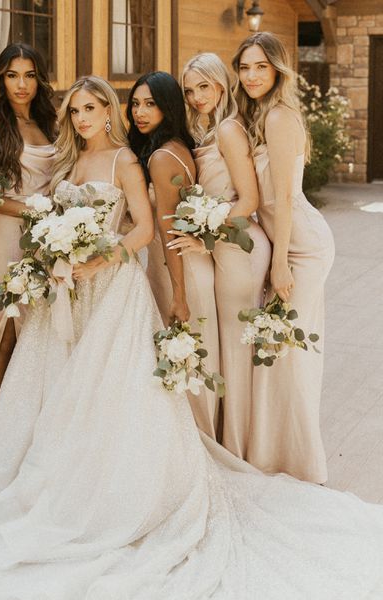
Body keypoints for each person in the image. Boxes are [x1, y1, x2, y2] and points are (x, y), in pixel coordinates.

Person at [0, 76, 383, 600]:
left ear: (108, 112)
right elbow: (52, 214)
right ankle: (53, 483)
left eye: (91, 108)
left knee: (107, 391)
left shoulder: (126, 161)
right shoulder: (67, 162)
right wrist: (54, 252)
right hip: (70, 290)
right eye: (74, 110)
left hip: (112, 290)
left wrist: (104, 255)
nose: (82, 118)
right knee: (60, 389)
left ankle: (111, 495)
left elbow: (145, 229)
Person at [232, 32, 335, 483]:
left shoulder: (278, 116)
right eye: (245, 67)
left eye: (261, 66)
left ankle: (299, 463)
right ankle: (272, 455)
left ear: (277, 69)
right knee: (276, 351)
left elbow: (285, 199)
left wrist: (278, 263)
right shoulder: (257, 115)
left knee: (288, 353)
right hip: (284, 241)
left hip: (302, 246)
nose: (252, 75)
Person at [174, 53, 271, 460]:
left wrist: (203, 234)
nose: (198, 97)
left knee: (236, 348)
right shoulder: (206, 130)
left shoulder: (229, 130)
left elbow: (248, 200)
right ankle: (230, 439)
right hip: (223, 243)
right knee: (228, 347)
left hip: (239, 245)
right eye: (190, 89)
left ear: (221, 86)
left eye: (205, 87)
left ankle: (242, 447)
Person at [127, 71, 219, 440]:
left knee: (183, 359)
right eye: (135, 103)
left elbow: (168, 232)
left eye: (150, 104)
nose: (140, 112)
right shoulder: (178, 144)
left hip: (175, 270)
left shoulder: (161, 159)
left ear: (168, 107)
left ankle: (195, 443)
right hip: (180, 265)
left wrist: (179, 296)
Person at [0, 43, 56, 419]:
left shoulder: (50, 122)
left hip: (44, 240)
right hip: (3, 236)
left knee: (37, 335)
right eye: (12, 75)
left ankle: (27, 426)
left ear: (40, 79)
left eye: (29, 75)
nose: (21, 84)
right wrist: (30, 209)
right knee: (3, 330)